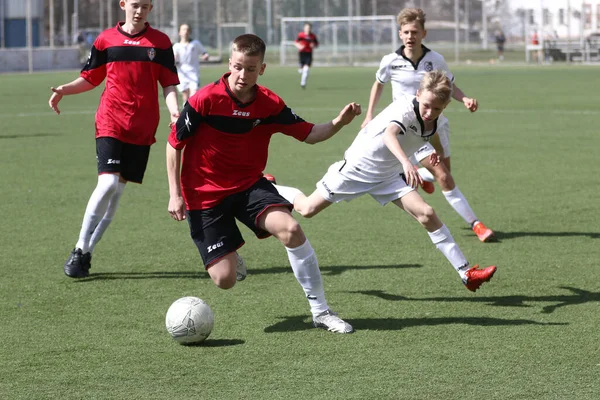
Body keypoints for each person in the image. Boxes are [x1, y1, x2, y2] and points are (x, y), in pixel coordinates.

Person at [166, 34, 361, 333]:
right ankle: (232, 256)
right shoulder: (204, 100)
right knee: (224, 279)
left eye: (251, 69)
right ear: (230, 63)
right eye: (238, 67)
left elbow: (309, 134)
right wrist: (174, 195)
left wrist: (338, 123)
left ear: (262, 69)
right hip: (204, 195)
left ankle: (320, 311)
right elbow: (173, 145)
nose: (243, 75)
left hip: (247, 186)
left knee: (292, 229)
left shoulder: (269, 104)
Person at [272, 71, 497, 292]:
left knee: (427, 214)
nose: (429, 112)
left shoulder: (436, 120)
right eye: (426, 105)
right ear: (418, 94)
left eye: (437, 108)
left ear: (445, 107)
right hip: (358, 168)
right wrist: (408, 163)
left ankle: (466, 273)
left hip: (388, 175)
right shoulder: (405, 108)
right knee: (306, 209)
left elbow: (433, 133)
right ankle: (271, 186)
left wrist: (436, 152)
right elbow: (389, 135)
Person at [49, 0, 180, 278]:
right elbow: (90, 78)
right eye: (135, 4)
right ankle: (79, 247)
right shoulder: (105, 40)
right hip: (110, 120)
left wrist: (175, 111)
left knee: (117, 192)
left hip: (143, 126)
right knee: (107, 183)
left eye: (145, 6)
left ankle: (87, 254)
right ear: (122, 4)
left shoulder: (161, 42)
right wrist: (64, 89)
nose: (139, 10)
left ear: (151, 8)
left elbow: (168, 82)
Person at [360, 8, 494, 243]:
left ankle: (421, 175)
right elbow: (378, 84)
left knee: (445, 174)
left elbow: (449, 86)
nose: (410, 36)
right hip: (410, 128)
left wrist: (464, 99)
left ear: (424, 33)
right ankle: (477, 224)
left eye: (414, 32)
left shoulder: (436, 60)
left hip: (437, 125)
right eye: (405, 32)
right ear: (400, 34)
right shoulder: (390, 61)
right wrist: (369, 114)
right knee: (444, 177)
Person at [173, 23, 210, 104]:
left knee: (194, 95)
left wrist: (206, 56)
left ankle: (192, 113)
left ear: (190, 32)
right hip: (182, 74)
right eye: (183, 29)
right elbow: (174, 59)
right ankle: (186, 114)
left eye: (187, 29)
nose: (185, 31)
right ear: (179, 32)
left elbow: (204, 52)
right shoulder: (176, 46)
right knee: (185, 96)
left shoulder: (195, 43)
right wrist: (174, 59)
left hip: (193, 73)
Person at [294, 23, 318, 89]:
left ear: (310, 29)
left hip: (308, 54)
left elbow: (316, 44)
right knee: (302, 69)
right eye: (306, 28)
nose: (307, 29)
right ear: (304, 28)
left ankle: (303, 82)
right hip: (302, 53)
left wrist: (313, 45)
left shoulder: (313, 36)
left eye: (309, 28)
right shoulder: (301, 35)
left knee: (306, 68)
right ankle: (302, 70)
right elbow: (296, 42)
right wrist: (299, 46)